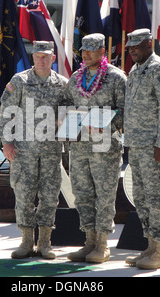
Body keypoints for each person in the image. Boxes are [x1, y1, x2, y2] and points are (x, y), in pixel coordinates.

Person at [0, 41, 68, 260]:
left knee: (49, 197)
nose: (41, 60)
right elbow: (7, 112)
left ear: (53, 58)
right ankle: (27, 241)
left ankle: (45, 242)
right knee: (24, 195)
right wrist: (6, 142)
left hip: (51, 151)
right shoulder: (20, 81)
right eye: (38, 56)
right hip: (23, 151)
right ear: (33, 57)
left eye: (46, 56)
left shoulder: (62, 84)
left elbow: (69, 113)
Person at [63, 33, 126, 263]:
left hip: (105, 147)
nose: (87, 53)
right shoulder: (76, 77)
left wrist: (107, 125)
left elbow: (124, 110)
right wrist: (68, 124)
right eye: (84, 49)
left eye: (92, 49)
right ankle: (88, 241)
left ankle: (102, 244)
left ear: (102, 52)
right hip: (79, 147)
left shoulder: (116, 78)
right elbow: (66, 103)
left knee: (104, 195)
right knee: (82, 194)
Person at [123, 29, 160, 269]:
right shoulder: (135, 69)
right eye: (130, 46)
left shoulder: (159, 68)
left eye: (137, 45)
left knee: (156, 198)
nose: (132, 49)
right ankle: (150, 246)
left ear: (149, 43)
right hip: (136, 145)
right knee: (141, 198)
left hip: (154, 147)